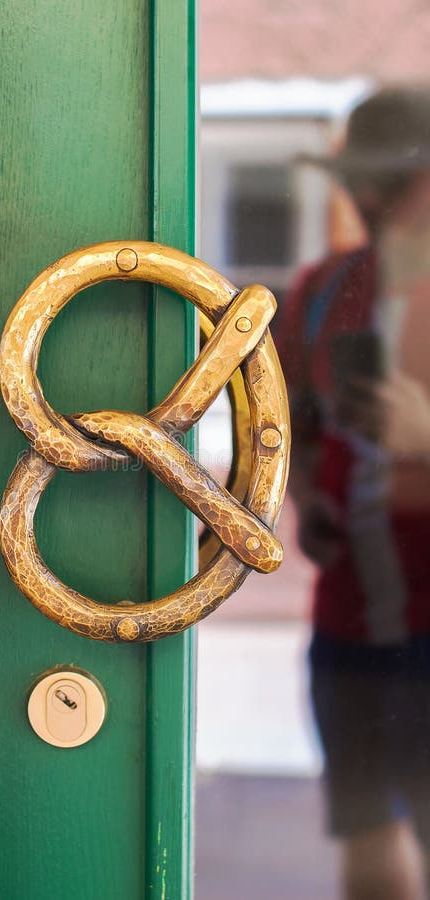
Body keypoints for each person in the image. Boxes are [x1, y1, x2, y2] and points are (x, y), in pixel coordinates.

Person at [278, 87, 430, 899]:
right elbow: (290, 430)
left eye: (392, 180)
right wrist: (307, 503)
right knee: (370, 845)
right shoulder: (325, 290)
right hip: (350, 625)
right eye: (358, 179)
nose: (369, 198)